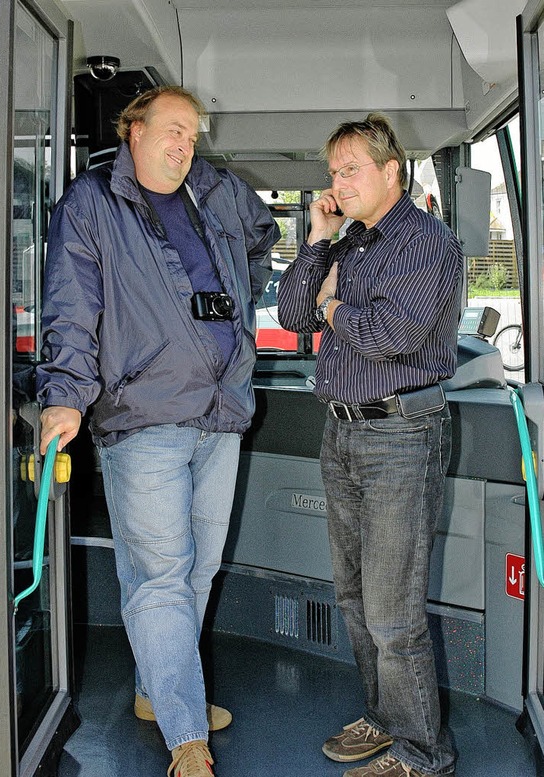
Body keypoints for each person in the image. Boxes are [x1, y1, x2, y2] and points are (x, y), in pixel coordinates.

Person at [36, 85, 280, 777]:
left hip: (220, 413)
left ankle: (154, 691)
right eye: (172, 129)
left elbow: (262, 241)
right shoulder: (93, 204)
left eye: (194, 135)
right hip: (143, 416)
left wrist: (238, 316)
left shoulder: (215, 195)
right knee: (160, 578)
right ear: (133, 130)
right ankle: (185, 735)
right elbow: (71, 305)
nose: (184, 144)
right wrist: (66, 394)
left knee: (196, 568)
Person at [278, 113, 462, 777]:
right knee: (355, 600)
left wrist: (332, 308)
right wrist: (317, 242)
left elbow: (389, 335)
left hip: (401, 436)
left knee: (392, 612)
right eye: (333, 172)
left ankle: (423, 753)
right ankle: (385, 719)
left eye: (350, 169)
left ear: (392, 172)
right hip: (344, 434)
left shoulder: (425, 242)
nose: (338, 181)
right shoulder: (349, 241)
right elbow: (292, 312)